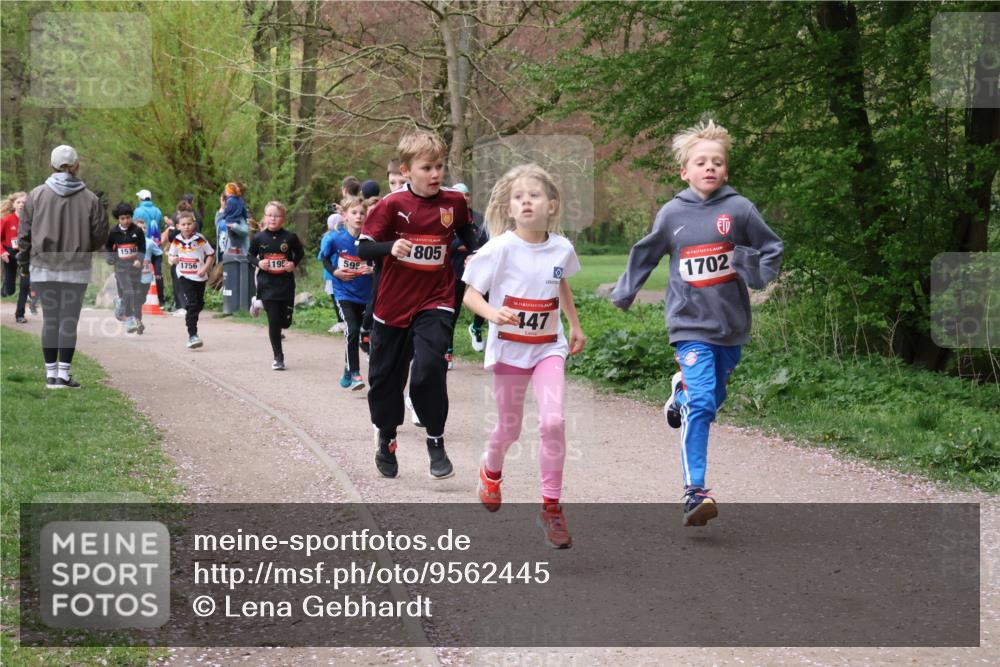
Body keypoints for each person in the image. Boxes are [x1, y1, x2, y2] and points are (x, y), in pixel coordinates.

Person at [610, 119, 784, 527]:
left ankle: (680, 396)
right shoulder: (673, 214)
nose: (710, 168)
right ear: (684, 171)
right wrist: (624, 292)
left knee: (709, 400)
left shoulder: (739, 209)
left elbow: (772, 246)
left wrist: (756, 272)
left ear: (726, 170)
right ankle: (695, 491)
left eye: (717, 162)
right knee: (705, 403)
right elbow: (645, 252)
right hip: (689, 325)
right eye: (701, 162)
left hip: (731, 325)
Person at [462, 164, 585, 549]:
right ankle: (491, 469)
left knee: (553, 421)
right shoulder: (499, 248)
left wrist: (574, 324)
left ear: (552, 205)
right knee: (510, 429)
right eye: (519, 197)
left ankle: (551, 508)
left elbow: (559, 282)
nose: (526, 201)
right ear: (510, 208)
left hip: (549, 347)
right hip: (510, 351)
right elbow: (469, 294)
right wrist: (492, 313)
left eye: (534, 195)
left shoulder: (562, 247)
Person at [357, 130, 482, 480]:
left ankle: (435, 439)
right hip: (393, 306)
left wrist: (472, 251)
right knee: (384, 380)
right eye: (427, 167)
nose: (436, 174)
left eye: (440, 166)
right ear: (407, 170)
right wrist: (390, 247)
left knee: (429, 369)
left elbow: (466, 230)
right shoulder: (390, 206)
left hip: (436, 298)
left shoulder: (453, 202)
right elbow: (363, 247)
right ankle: (387, 437)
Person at [17, 145, 109, 389]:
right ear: (76, 166)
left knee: (50, 320)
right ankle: (64, 375)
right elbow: (100, 233)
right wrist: (85, 246)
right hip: (76, 268)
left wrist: (24, 265)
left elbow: (24, 234)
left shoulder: (35, 195)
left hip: (43, 266)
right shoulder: (90, 199)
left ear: (52, 165)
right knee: (68, 320)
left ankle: (50, 376)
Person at [323, 195, 374, 390]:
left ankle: (347, 367)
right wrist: (335, 271)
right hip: (344, 293)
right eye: (354, 213)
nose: (359, 216)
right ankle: (355, 374)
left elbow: (379, 261)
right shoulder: (335, 238)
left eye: (362, 213)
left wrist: (372, 269)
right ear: (345, 216)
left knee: (363, 334)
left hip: (366, 294)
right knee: (352, 330)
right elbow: (325, 259)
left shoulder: (369, 240)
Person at [248, 201, 304, 370]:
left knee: (285, 323)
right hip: (267, 285)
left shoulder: (290, 237)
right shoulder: (258, 238)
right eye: (270, 215)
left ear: (283, 219)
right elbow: (249, 256)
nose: (273, 218)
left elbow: (300, 253)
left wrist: (293, 263)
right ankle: (278, 357)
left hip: (286, 284)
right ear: (265, 217)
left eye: (277, 215)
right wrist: (259, 263)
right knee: (273, 321)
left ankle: (257, 304)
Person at [448, 182, 489, 365]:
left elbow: (485, 242)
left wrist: (472, 247)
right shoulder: (447, 217)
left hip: (477, 268)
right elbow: (447, 244)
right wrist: (462, 245)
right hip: (454, 270)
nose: (463, 198)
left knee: (485, 298)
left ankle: (477, 327)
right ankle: (448, 350)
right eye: (458, 195)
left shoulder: (479, 218)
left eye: (466, 195)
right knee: (452, 310)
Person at [167, 211, 214, 349]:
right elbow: (170, 256)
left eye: (189, 224)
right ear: (178, 226)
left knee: (199, 304)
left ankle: (189, 312)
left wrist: (204, 268)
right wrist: (172, 260)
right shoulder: (176, 240)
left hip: (199, 276)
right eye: (183, 224)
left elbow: (210, 254)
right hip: (184, 275)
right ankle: (192, 335)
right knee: (193, 303)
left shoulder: (199, 239)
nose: (187, 227)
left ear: (193, 224)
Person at [106, 202, 147, 334]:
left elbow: (142, 248)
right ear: (118, 219)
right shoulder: (113, 232)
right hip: (121, 267)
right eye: (123, 218)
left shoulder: (137, 231)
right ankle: (129, 319)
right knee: (128, 290)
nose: (126, 221)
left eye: (128, 217)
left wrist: (138, 260)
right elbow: (108, 247)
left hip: (135, 267)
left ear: (131, 217)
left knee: (135, 293)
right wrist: (111, 257)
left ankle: (121, 303)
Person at [2, 191, 37, 323]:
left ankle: (20, 315)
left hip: (26, 254)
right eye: (19, 202)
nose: (22, 205)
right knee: (9, 290)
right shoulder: (6, 220)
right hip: (10, 254)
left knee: (25, 285)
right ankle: (5, 289)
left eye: (24, 202)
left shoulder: (32, 221)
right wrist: (2, 252)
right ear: (13, 204)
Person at [132, 189, 166, 309]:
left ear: (140, 198)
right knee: (157, 272)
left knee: (140, 269)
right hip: (155, 242)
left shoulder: (138, 210)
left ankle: (135, 297)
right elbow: (160, 224)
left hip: (142, 244)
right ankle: (161, 300)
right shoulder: (157, 210)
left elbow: (134, 225)